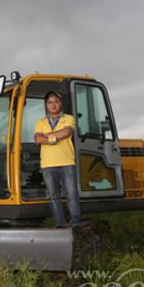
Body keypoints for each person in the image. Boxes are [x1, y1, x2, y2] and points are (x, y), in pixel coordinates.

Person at [33, 92, 82, 230]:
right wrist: (55, 137)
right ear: (46, 105)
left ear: (61, 103)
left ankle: (75, 222)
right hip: (48, 164)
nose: (53, 105)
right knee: (53, 195)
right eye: (50, 102)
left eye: (56, 101)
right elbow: (37, 139)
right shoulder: (40, 122)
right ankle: (60, 223)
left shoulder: (69, 118)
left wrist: (47, 138)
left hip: (66, 162)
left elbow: (66, 132)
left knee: (71, 193)